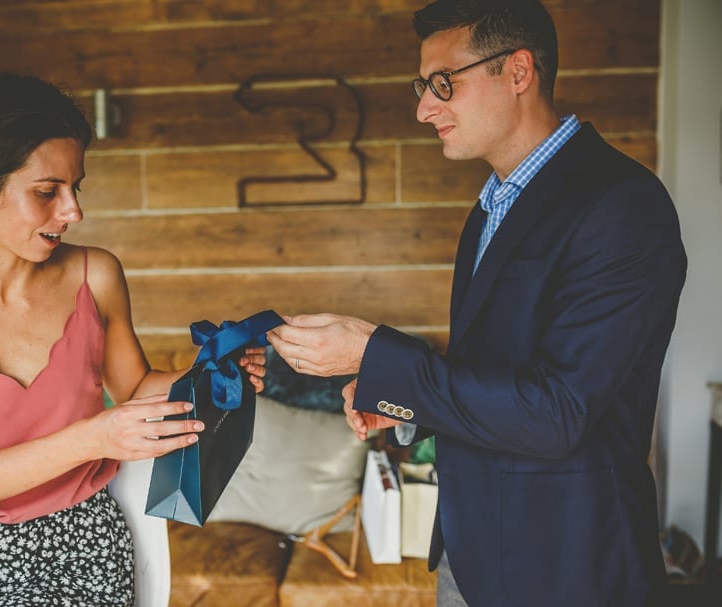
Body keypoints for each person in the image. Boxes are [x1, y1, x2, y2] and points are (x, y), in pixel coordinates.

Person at [267, 1, 686, 605]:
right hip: (469, 551)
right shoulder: (491, 208)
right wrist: (405, 403)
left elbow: (557, 411)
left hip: (564, 565)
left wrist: (375, 353)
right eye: (423, 86)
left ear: (518, 72)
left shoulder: (622, 205)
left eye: (443, 84)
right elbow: (495, 373)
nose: (423, 107)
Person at [0, 72, 266, 606]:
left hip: (79, 550)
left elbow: (136, 384)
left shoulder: (96, 275)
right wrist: (93, 438)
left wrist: (211, 374)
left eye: (75, 188)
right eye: (47, 192)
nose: (73, 212)